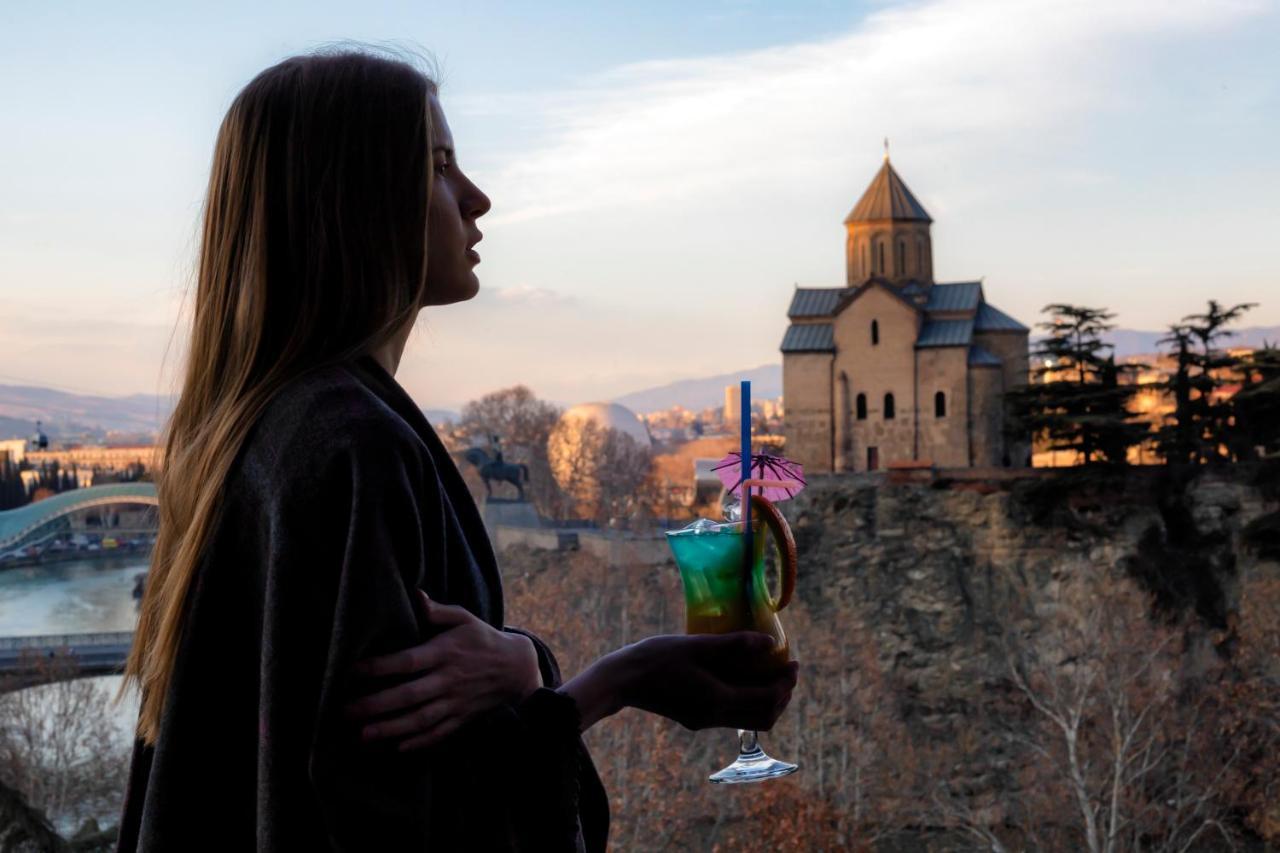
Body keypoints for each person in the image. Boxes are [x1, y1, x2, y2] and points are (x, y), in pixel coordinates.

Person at [117, 48, 797, 851]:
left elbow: (359, 766)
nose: (477, 198)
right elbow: (420, 817)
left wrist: (538, 670)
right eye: (439, 166)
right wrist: (609, 678)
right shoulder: (357, 448)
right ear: (351, 202)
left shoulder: (255, 432)